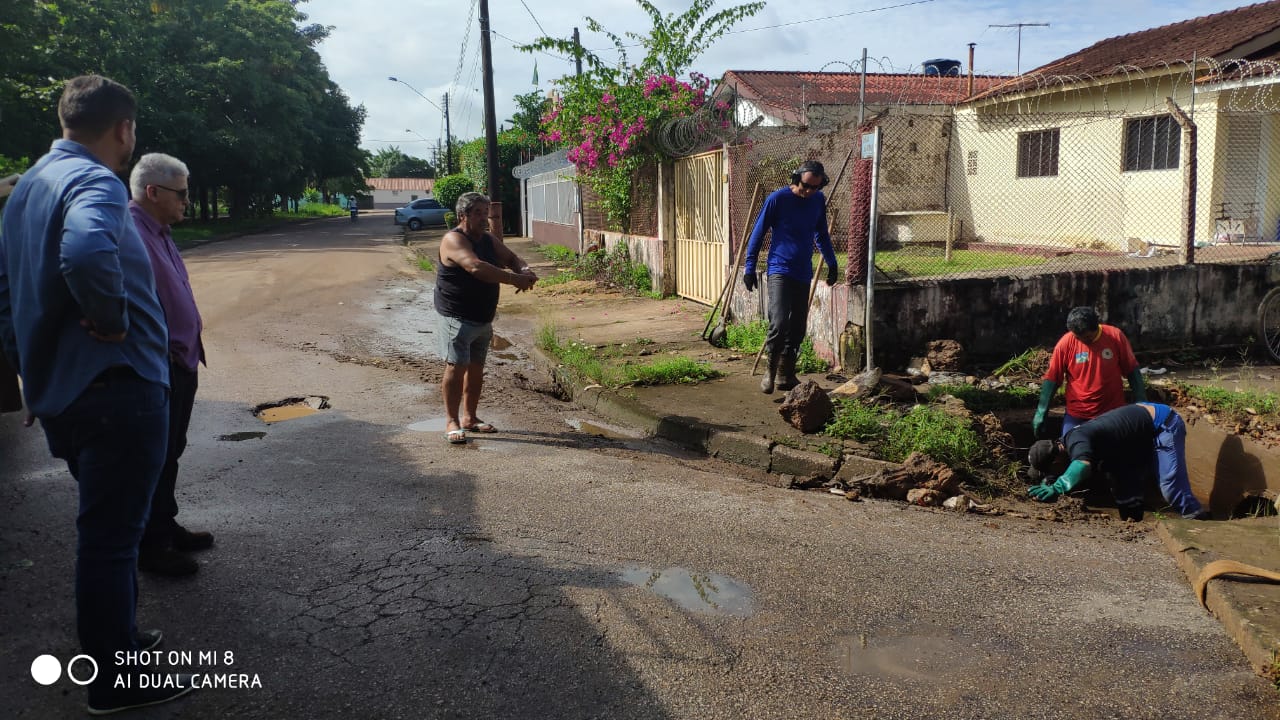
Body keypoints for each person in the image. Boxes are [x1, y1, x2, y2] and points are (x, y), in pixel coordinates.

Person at [0, 75, 195, 713]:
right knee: (110, 540)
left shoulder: (25, 188)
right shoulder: (95, 182)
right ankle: (115, 679)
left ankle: (122, 642)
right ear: (124, 130)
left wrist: (31, 368)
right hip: (117, 390)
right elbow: (86, 254)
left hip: (69, 392)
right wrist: (111, 319)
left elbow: (7, 296)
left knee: (110, 529)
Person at [129, 153, 214, 576]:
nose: (187, 201)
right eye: (181, 194)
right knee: (152, 458)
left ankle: (164, 525)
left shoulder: (158, 230)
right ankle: (151, 547)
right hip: (156, 365)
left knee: (170, 453)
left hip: (180, 361)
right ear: (153, 192)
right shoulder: (129, 232)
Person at [435, 192, 537, 443]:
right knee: (456, 366)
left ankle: (470, 417)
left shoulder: (488, 240)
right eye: (478, 213)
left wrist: (524, 269)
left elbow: (512, 257)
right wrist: (515, 279)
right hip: (456, 316)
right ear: (463, 215)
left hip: (483, 317)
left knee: (476, 369)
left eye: (486, 212)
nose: (484, 218)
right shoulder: (453, 240)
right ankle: (452, 420)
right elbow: (475, 267)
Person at [741, 160, 839, 394]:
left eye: (815, 187)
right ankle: (770, 371)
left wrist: (832, 263)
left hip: (802, 271)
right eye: (806, 186)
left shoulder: (817, 200)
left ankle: (785, 375)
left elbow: (821, 234)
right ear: (797, 179)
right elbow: (758, 232)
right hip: (779, 270)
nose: (809, 192)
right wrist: (749, 267)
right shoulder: (777, 199)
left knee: (797, 327)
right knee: (779, 322)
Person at [1026, 402, 1209, 520]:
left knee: (1170, 486)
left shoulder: (1076, 439)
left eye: (1050, 470)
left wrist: (1058, 487)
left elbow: (1082, 466)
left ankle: (1197, 521)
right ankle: (1133, 521)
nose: (1052, 475)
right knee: (1121, 483)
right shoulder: (1070, 443)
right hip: (1133, 437)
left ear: (1057, 458)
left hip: (1162, 423)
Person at [1033, 306, 1145, 438]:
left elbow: (1132, 370)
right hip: (1078, 414)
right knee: (1073, 449)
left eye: (1086, 337)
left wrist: (1142, 404)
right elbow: (1052, 377)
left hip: (1112, 413)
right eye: (1077, 337)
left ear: (1096, 327)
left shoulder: (1115, 337)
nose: (1081, 341)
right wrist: (1041, 411)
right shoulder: (1066, 343)